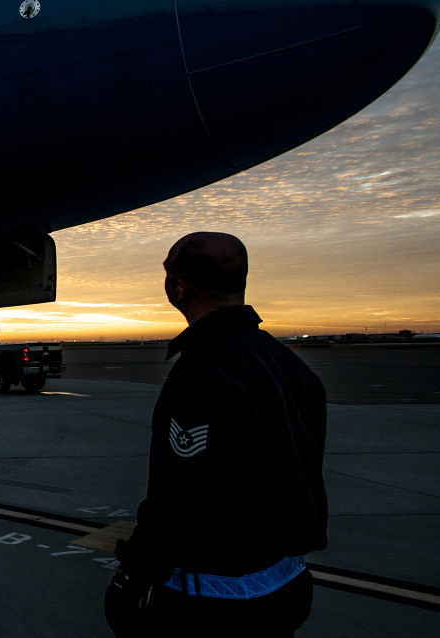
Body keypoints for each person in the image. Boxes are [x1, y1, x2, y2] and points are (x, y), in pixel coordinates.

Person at [106, 232, 327, 637]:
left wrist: (136, 571)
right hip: (285, 582)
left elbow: (183, 493)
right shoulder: (288, 364)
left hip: (214, 602)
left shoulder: (203, 370)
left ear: (179, 288)